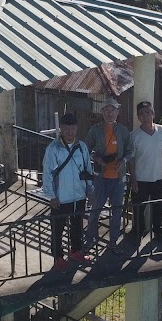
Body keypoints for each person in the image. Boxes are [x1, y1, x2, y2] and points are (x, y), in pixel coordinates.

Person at [42, 112, 93, 271]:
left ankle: (76, 251)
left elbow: (87, 169)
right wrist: (51, 196)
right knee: (57, 228)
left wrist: (90, 189)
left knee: (77, 225)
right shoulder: (53, 149)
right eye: (66, 129)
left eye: (72, 128)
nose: (70, 132)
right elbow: (47, 173)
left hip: (79, 195)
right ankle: (58, 257)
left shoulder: (82, 147)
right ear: (61, 129)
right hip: (61, 197)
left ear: (77, 128)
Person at [127, 99, 162, 248]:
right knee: (138, 209)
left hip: (159, 177)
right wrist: (133, 179)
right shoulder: (134, 135)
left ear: (153, 113)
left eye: (148, 112)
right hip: (141, 179)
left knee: (158, 207)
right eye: (142, 114)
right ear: (138, 117)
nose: (145, 116)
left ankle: (158, 233)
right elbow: (131, 159)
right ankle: (138, 233)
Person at [84, 99, 126, 251]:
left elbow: (130, 150)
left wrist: (124, 160)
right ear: (102, 112)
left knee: (117, 212)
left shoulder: (122, 130)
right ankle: (89, 239)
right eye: (106, 110)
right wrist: (96, 158)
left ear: (117, 112)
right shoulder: (95, 130)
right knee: (95, 210)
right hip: (100, 177)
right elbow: (85, 150)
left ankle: (113, 241)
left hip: (118, 178)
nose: (109, 113)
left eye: (112, 110)